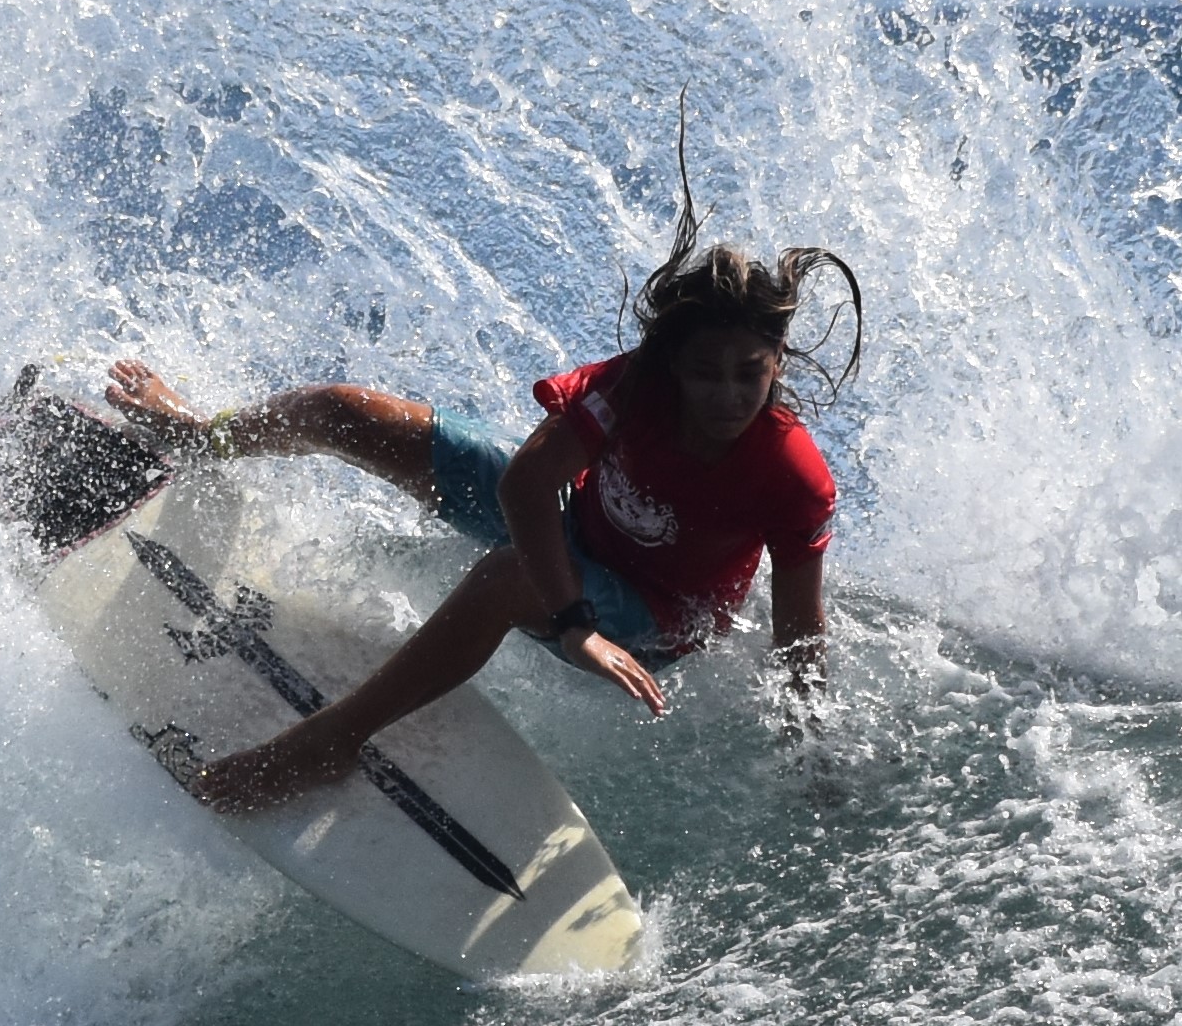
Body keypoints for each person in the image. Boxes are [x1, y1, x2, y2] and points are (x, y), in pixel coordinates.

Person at [99, 218, 861, 815]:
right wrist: (570, 617)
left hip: (655, 617)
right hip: (570, 537)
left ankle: (326, 745)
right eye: (704, 372)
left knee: (503, 579)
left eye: (749, 375)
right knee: (342, 412)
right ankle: (200, 436)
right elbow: (528, 485)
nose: (727, 395)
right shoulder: (632, 392)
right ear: (669, 366)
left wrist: (810, 757)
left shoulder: (791, 476)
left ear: (776, 365)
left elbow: (799, 636)